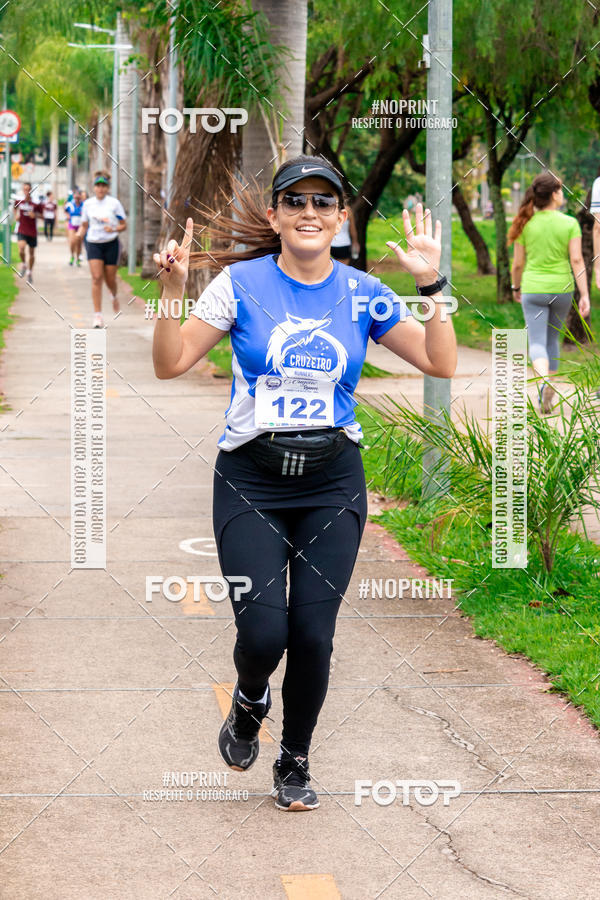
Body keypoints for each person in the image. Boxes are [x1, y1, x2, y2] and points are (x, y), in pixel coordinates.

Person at [151, 155, 456, 811]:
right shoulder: (239, 284)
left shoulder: (364, 292)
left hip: (332, 484)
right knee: (263, 636)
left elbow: (440, 359)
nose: (310, 212)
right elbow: (171, 363)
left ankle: (294, 761)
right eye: (296, 201)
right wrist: (171, 292)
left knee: (314, 635)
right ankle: (250, 696)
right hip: (251, 484)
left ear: (342, 217)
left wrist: (433, 286)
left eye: (324, 202)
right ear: (275, 215)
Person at [509, 172, 590, 413]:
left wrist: (516, 287)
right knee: (552, 339)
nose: (562, 195)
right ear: (554, 195)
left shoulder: (525, 224)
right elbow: (577, 260)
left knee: (536, 341)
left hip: (533, 288)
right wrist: (584, 294)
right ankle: (550, 387)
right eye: (560, 190)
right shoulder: (569, 223)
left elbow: (517, 265)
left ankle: (543, 382)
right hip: (562, 289)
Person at [77, 171, 126, 328]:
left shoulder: (114, 204)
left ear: (107, 188)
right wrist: (79, 234)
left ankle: (113, 295)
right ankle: (97, 315)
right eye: (98, 185)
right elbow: (84, 224)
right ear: (94, 187)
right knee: (97, 277)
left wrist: (114, 229)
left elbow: (124, 224)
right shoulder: (88, 204)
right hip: (93, 243)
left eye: (103, 186)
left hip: (111, 243)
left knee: (110, 279)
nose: (100, 188)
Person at [13, 182, 43, 284]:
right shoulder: (19, 201)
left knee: (31, 253)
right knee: (21, 249)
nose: (27, 191)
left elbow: (43, 216)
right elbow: (14, 208)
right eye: (25, 189)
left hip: (32, 231)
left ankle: (30, 272)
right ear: (23, 190)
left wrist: (35, 215)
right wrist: (16, 216)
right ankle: (24, 264)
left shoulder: (36, 203)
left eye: (28, 189)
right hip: (22, 229)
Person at [64, 189, 85, 266]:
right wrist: (68, 215)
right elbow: (65, 210)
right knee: (72, 241)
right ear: (73, 197)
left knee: (79, 243)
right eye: (75, 197)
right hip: (72, 225)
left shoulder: (84, 205)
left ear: (80, 197)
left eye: (78, 197)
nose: (77, 199)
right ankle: (72, 256)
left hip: (80, 226)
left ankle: (78, 258)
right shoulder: (70, 204)